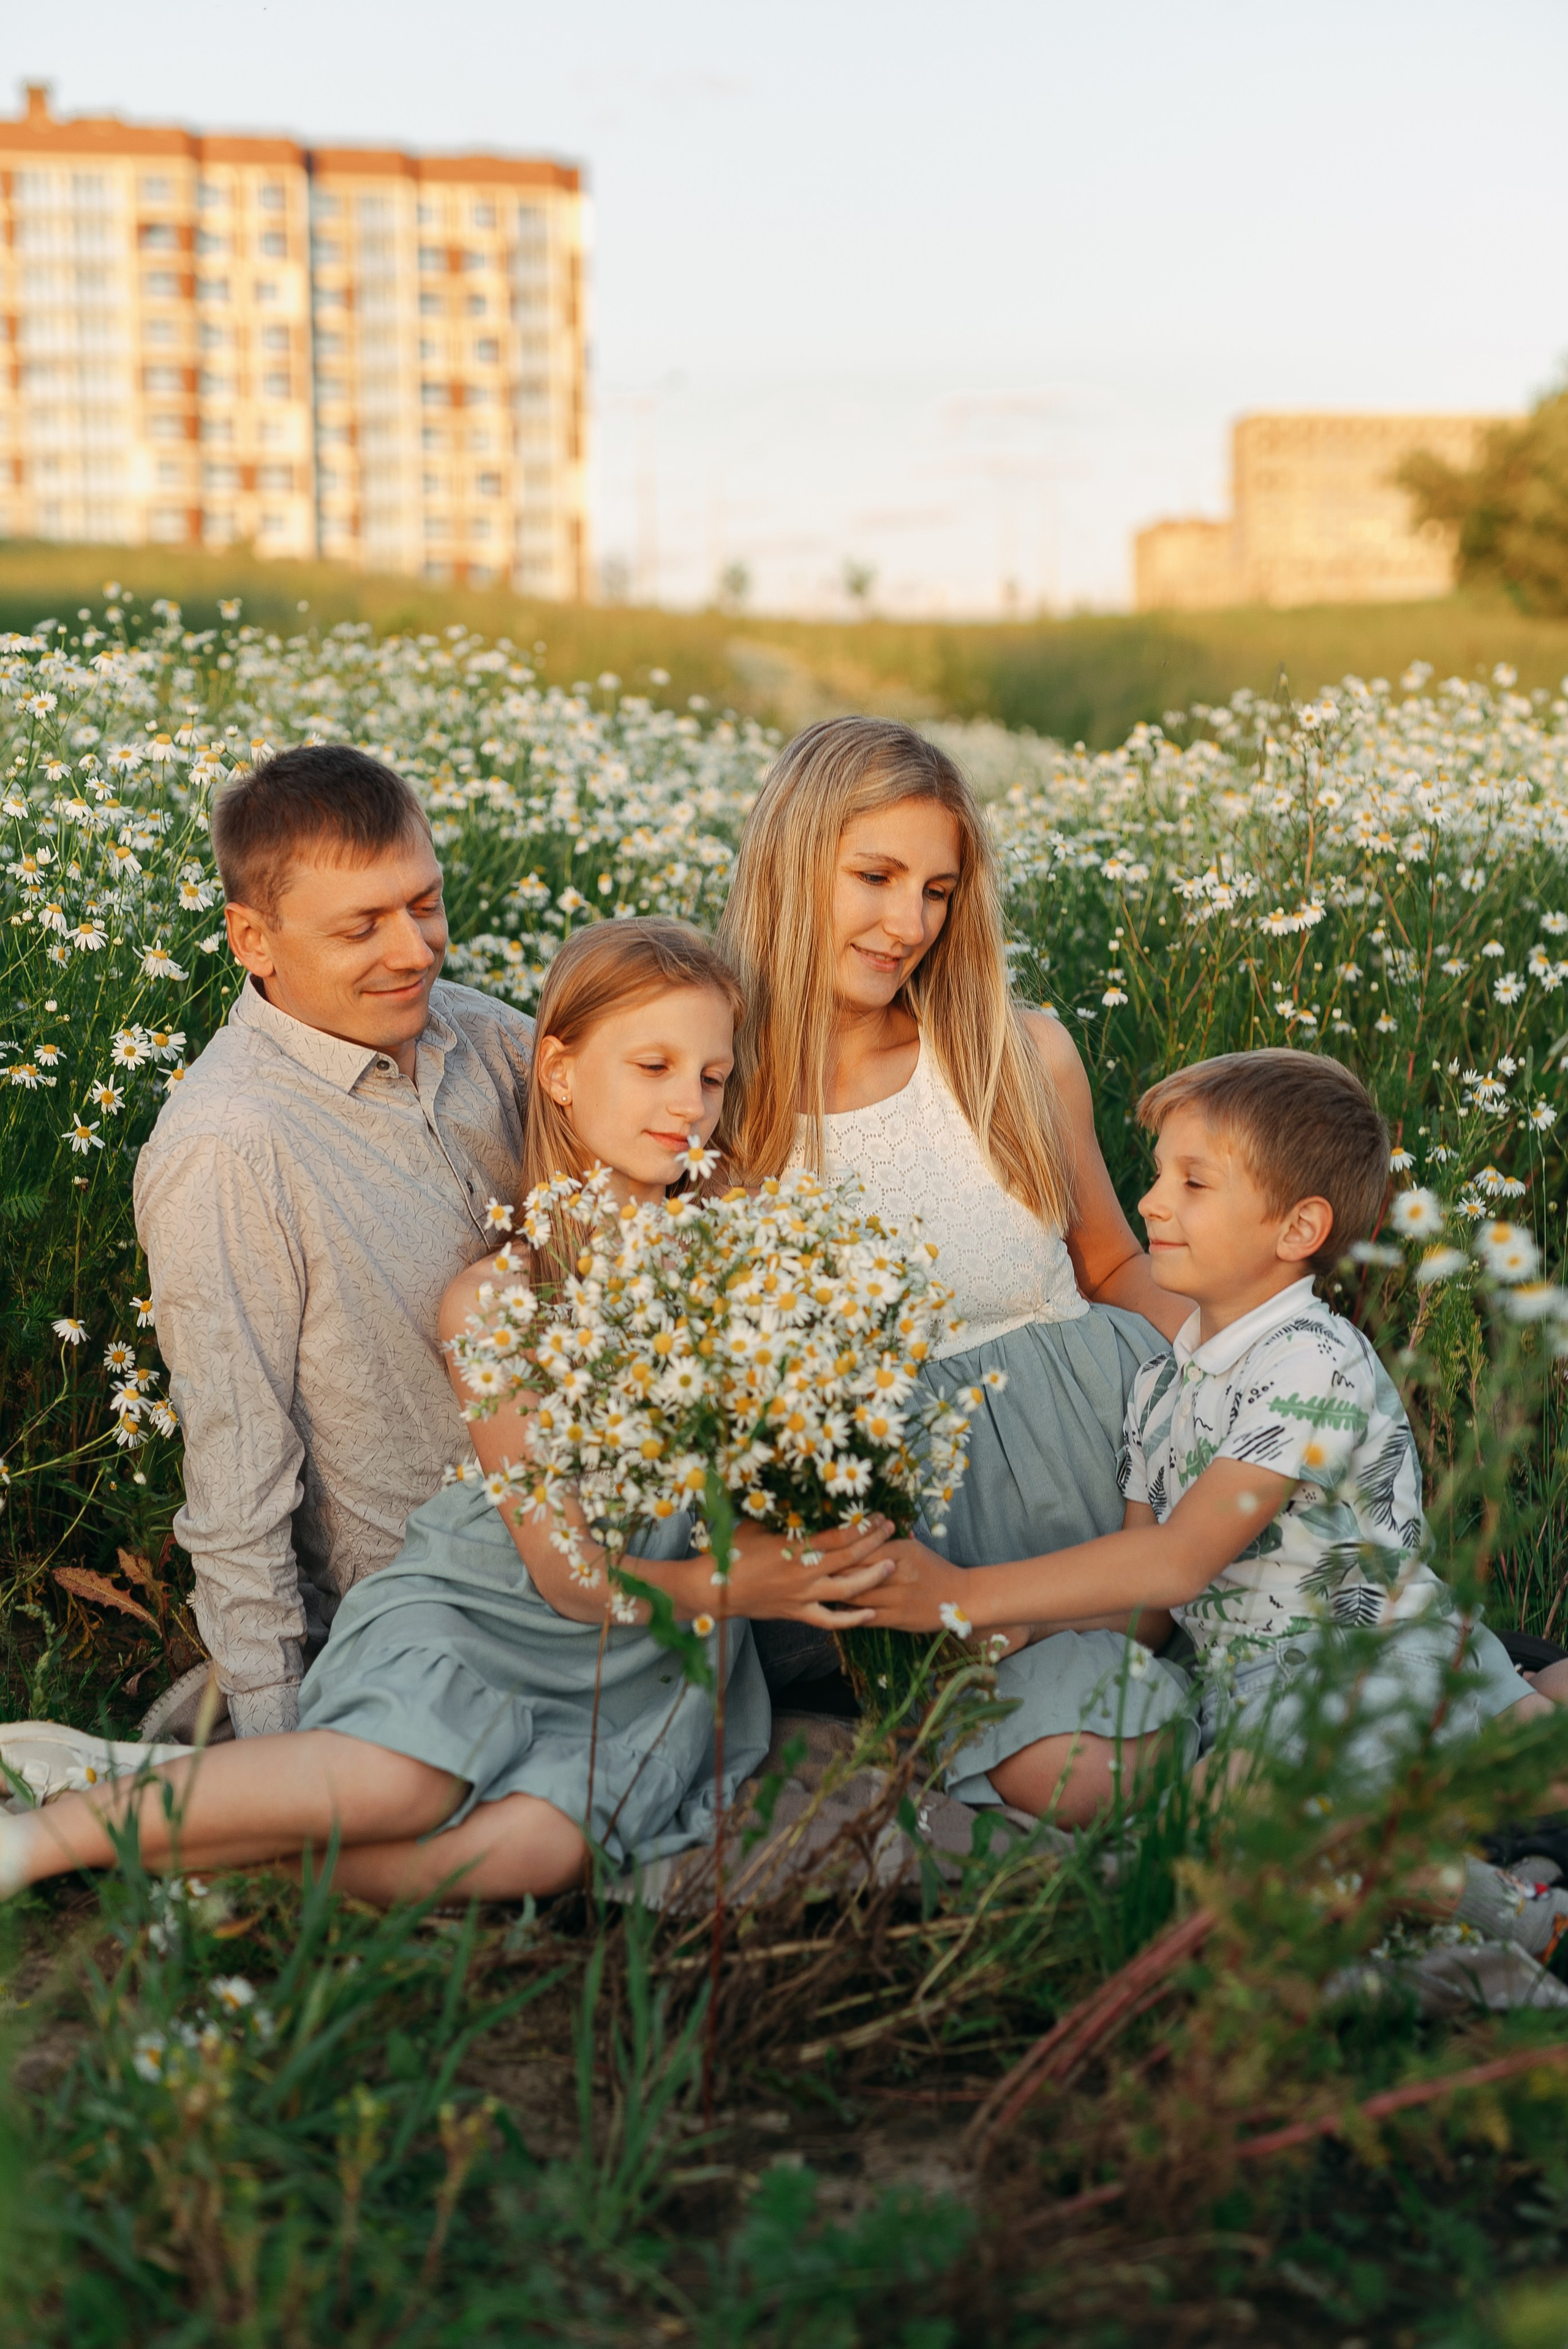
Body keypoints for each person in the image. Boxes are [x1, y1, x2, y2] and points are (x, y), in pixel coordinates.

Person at [0, 921, 894, 1906]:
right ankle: (37, 1845)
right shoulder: (497, 1300)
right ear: (556, 1071)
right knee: (404, 1784)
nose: (688, 1104)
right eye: (653, 1065)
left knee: (539, 1857)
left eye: (713, 1078)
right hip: (492, 1609)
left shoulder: (744, 1246)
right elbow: (564, 1577)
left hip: (646, 1653)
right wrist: (737, 1582)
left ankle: (182, 1812)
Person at [859, 1047, 1568, 1932]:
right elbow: (1150, 1619)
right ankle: (1495, 1776)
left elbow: (1180, 1561)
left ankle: (1516, 1913)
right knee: (1220, 1827)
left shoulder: (1314, 1359)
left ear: (1298, 1229)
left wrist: (961, 1595)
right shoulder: (1159, 1388)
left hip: (1368, 1664)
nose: (1151, 1201)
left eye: (1194, 1184)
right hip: (1253, 1697)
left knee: (1212, 1836)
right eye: (1158, 1174)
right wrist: (1026, 1628)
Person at [714, 717, 1195, 1815]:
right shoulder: (719, 1106)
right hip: (931, 1550)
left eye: (936, 890)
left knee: (1374, 1652)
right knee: (1092, 1769)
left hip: (1135, 1479)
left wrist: (1257, 1362)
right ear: (792, 866)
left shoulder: (1014, 1053)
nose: (907, 924)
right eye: (875, 877)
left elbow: (1115, 1263)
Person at [132, 742, 537, 1740]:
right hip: (419, 1623)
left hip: (585, 1547)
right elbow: (238, 1469)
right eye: (362, 927)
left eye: (425, 904)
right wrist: (278, 1741)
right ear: (253, 941)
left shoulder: (488, 1040)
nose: (415, 950)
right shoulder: (229, 1147)